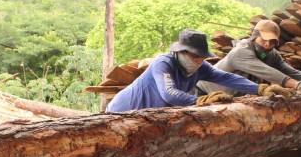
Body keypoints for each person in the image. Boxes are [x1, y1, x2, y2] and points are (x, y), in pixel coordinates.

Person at [106, 29, 261, 112]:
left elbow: (227, 78)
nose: (199, 60)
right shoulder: (163, 63)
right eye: (195, 56)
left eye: (202, 57)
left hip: (149, 117)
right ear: (181, 52)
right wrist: (201, 100)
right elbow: (169, 93)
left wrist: (260, 89)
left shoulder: (201, 67)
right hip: (121, 112)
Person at [198, 19, 301, 96]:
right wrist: (299, 85)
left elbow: (289, 71)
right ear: (255, 37)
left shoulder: (271, 54)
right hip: (201, 93)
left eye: (272, 41)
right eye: (264, 39)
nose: (267, 44)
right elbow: (269, 72)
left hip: (229, 98)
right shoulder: (241, 52)